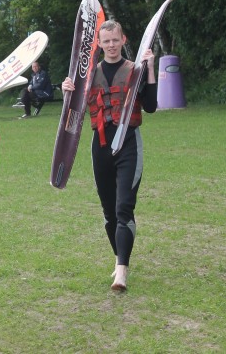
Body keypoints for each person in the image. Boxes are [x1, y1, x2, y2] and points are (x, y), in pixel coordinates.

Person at [61, 20, 157, 291]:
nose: (112, 45)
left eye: (116, 40)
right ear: (100, 45)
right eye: (106, 41)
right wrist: (67, 92)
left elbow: (150, 106)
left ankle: (121, 271)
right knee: (109, 214)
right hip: (100, 148)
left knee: (124, 207)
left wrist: (149, 69)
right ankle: (120, 258)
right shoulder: (90, 74)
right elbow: (73, 115)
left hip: (128, 145)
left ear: (123, 40)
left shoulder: (134, 70)